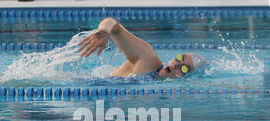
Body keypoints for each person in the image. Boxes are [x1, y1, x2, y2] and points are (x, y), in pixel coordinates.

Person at [78, 17, 209, 79]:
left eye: (185, 68)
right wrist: (103, 33)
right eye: (181, 58)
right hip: (85, 80)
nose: (177, 64)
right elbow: (112, 24)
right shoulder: (148, 59)